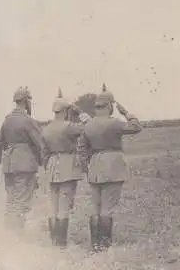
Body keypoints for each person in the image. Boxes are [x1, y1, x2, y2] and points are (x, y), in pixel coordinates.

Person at [78, 84, 142, 253]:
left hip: (95, 166)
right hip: (112, 164)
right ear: (109, 106)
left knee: (96, 208)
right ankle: (105, 245)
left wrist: (87, 167)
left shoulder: (88, 125)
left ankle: (95, 244)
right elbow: (136, 127)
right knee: (108, 207)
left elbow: (82, 148)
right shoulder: (114, 123)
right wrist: (126, 113)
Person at [41, 88, 91, 247]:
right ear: (65, 111)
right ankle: (61, 244)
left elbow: (44, 153)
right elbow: (89, 128)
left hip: (51, 167)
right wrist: (82, 115)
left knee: (53, 206)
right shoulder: (69, 126)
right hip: (67, 166)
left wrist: (48, 167)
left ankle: (54, 241)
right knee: (64, 206)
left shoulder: (46, 129)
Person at [0, 86, 47, 233]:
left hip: (9, 164)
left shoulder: (7, 120)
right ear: (25, 101)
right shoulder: (27, 120)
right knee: (21, 200)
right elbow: (40, 143)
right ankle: (16, 236)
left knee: (11, 200)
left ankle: (9, 234)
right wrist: (43, 162)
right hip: (24, 163)